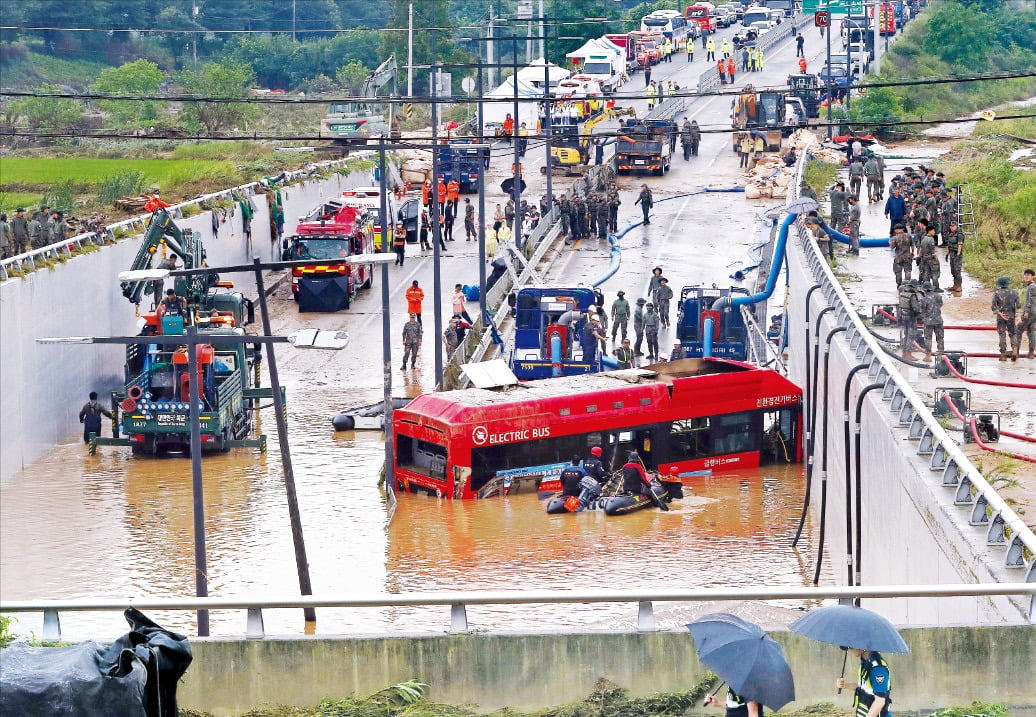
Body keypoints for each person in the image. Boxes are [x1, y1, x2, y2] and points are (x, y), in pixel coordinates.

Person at [837, 648, 891, 717]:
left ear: (861, 646)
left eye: (851, 647)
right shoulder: (865, 664)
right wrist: (845, 685)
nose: (849, 650)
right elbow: (863, 689)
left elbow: (880, 701)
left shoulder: (878, 668)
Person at [992, 276, 1020, 361]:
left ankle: (1003, 354)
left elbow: (993, 307)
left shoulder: (996, 293)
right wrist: (1017, 315)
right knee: (1013, 333)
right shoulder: (1014, 292)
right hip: (1011, 315)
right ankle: (1014, 348)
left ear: (999, 284)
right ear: (1008, 283)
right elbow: (1018, 306)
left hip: (1001, 316)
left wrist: (1000, 313)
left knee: (1002, 334)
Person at [919, 281, 944, 360]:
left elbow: (922, 310)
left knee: (928, 338)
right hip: (938, 320)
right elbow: (940, 305)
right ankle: (940, 355)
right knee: (940, 338)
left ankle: (928, 356)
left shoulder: (924, 299)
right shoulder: (938, 296)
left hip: (928, 321)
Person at [1016, 268, 1036, 359]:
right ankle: (1031, 353)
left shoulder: (1031, 287)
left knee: (1018, 329)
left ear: (1033, 276)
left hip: (1030, 312)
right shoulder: (1033, 286)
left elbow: (1030, 300)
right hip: (1034, 312)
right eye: (1025, 275)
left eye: (1028, 275)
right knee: (1031, 331)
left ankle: (1015, 352)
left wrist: (1026, 311)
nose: (1026, 276)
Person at [943, 221, 965, 293]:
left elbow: (960, 245)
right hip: (952, 254)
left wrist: (958, 254)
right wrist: (947, 254)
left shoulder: (959, 234)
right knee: (953, 270)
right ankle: (955, 285)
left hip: (957, 254)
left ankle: (959, 286)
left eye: (952, 226)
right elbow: (949, 246)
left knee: (957, 270)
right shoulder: (951, 234)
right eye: (950, 226)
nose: (951, 227)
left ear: (956, 226)